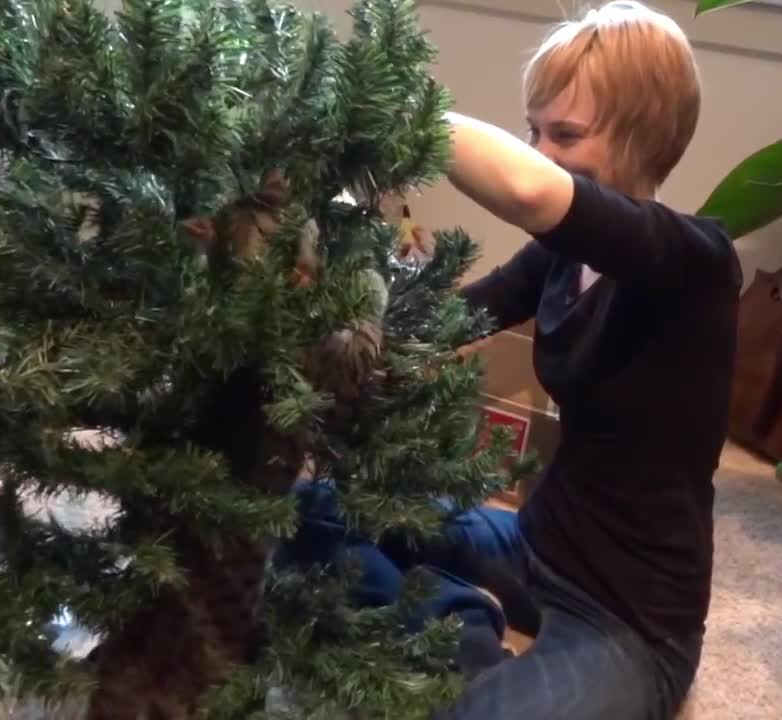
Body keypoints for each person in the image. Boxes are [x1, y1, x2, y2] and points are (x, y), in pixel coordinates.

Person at [279, 2, 742, 718]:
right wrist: (339, 333)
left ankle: (471, 673)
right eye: (534, 131)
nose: (539, 151)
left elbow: (528, 190)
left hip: (631, 616)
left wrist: (390, 110)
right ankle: (458, 620)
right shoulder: (562, 258)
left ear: (646, 138)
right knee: (303, 516)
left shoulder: (695, 261)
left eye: (567, 134)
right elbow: (454, 317)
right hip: (536, 542)